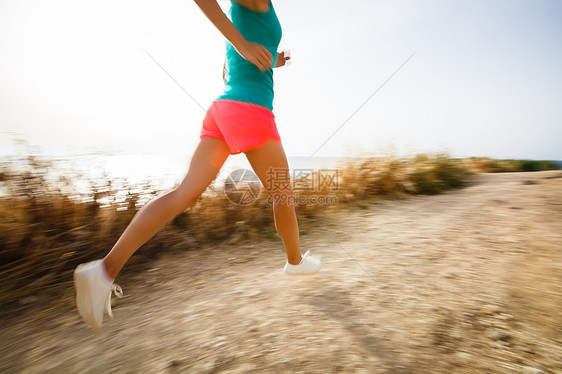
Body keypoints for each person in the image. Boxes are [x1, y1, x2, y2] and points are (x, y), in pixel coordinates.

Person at [73, 0, 322, 332]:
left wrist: (271, 58)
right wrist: (242, 43)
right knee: (283, 194)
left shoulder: (257, 9)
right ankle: (295, 262)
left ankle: (104, 270)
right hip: (252, 113)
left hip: (223, 111)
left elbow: (240, 62)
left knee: (184, 194)